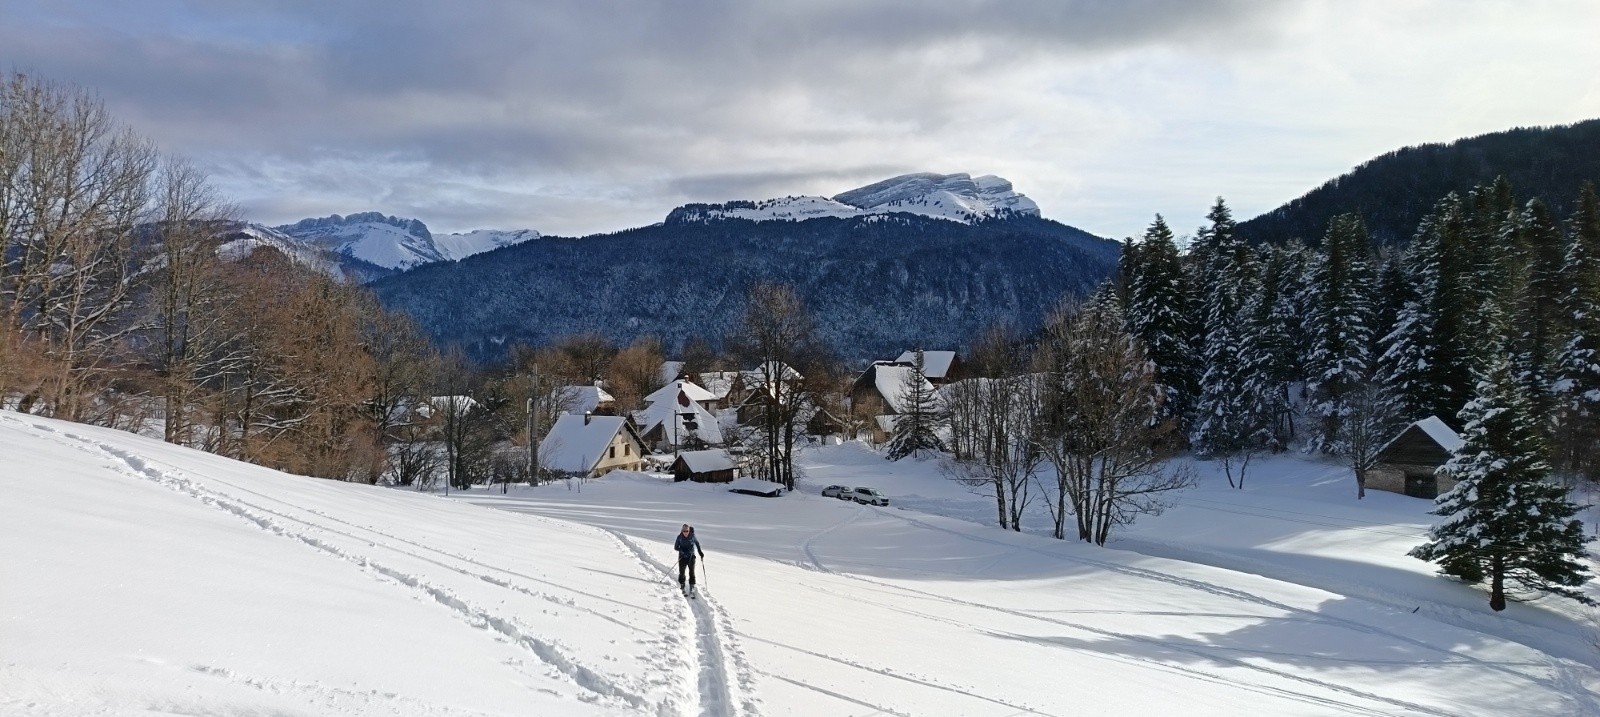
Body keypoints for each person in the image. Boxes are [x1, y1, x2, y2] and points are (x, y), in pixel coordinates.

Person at [674, 523, 704, 594]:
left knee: (692, 572)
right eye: (684, 531)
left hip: (691, 556)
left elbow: (697, 544)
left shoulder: (692, 536)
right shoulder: (679, 537)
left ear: (689, 530)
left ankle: (692, 586)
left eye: (687, 531)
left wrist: (700, 552)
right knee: (682, 572)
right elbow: (676, 547)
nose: (686, 532)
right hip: (682, 557)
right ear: (682, 531)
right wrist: (682, 551)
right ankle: (682, 585)